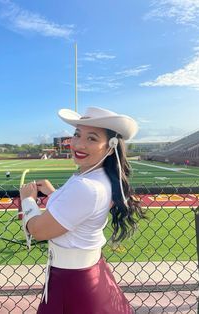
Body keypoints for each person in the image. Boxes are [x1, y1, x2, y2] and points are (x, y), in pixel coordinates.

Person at [20, 106, 146, 314]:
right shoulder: (96, 175)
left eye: (92, 138)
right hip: (88, 273)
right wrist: (54, 194)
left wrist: (28, 201)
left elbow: (38, 230)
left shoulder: (87, 185)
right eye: (77, 135)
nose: (78, 144)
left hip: (71, 281)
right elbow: (80, 211)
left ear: (110, 145)